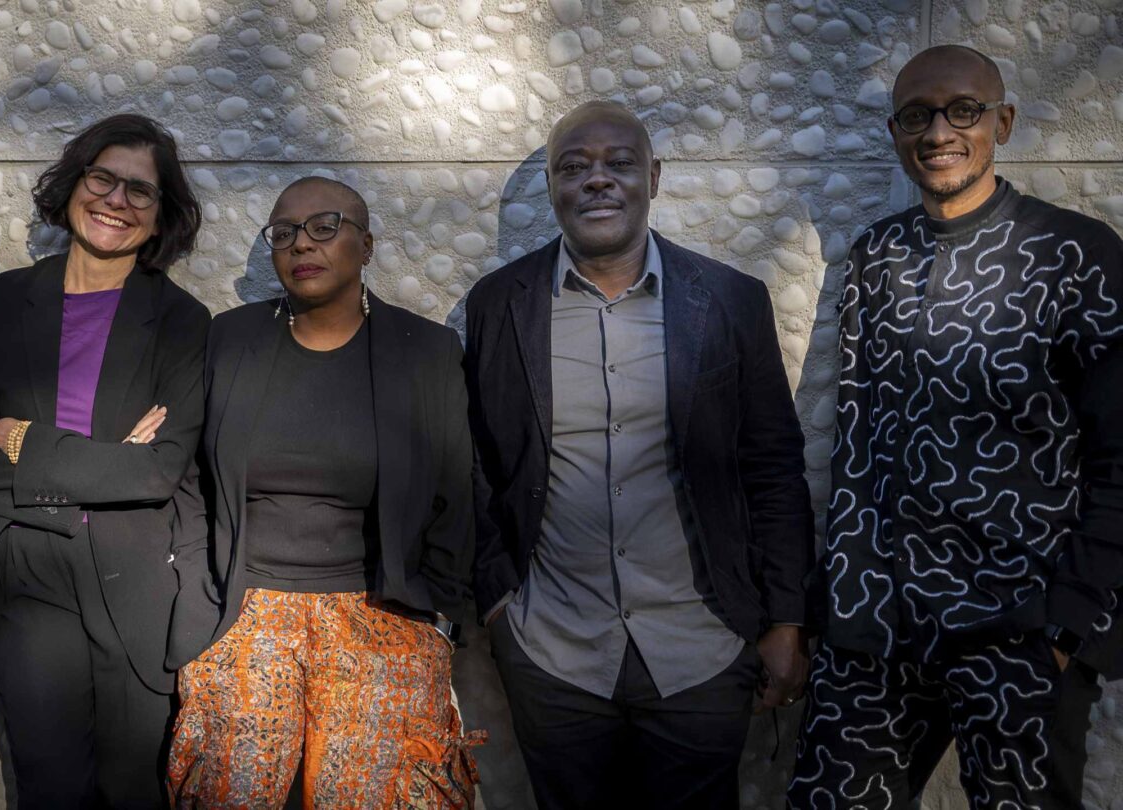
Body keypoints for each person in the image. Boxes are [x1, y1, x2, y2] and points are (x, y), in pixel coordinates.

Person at [788, 45, 1123, 809]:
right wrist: (828, 599)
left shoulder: (1077, 256)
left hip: (1019, 630)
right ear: (895, 132)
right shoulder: (878, 257)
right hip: (873, 629)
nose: (939, 129)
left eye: (962, 109)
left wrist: (1072, 624)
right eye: (916, 115)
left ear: (1001, 121)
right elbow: (859, 441)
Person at [465, 100, 813, 809]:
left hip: (703, 645)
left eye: (619, 164)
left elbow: (772, 468)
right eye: (574, 167)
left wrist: (785, 621)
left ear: (652, 176)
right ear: (554, 189)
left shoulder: (729, 300)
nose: (598, 181)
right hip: (552, 649)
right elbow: (475, 462)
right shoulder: (501, 303)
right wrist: (501, 605)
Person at [164, 176, 482, 808]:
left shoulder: (425, 351)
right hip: (244, 614)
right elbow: (191, 479)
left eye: (324, 226)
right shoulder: (231, 339)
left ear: (365, 245)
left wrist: (434, 618)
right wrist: (198, 603)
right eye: (283, 233)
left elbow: (457, 493)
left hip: (381, 615)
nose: (301, 244)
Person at [0, 113, 209, 809]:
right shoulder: (0, 302)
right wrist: (95, 469)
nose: (116, 200)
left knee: (138, 793)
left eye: (140, 192)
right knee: (50, 791)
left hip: (141, 582)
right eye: (102, 178)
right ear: (72, 187)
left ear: (161, 216)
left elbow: (157, 470)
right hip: (30, 576)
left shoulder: (182, 322)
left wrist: (26, 440)